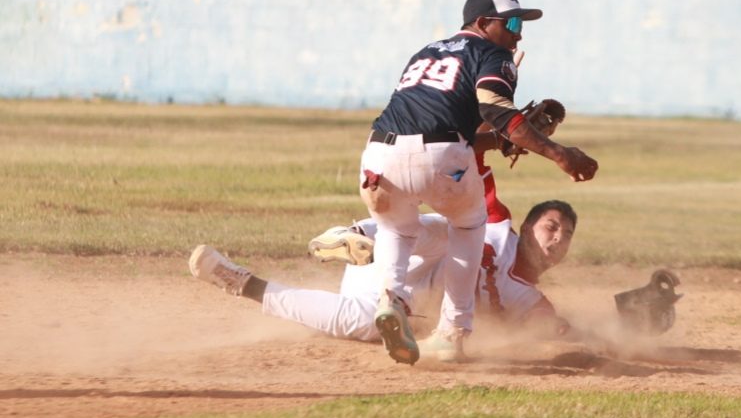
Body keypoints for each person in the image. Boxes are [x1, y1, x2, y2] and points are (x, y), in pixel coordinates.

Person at [358, 0, 597, 365]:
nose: (519, 32)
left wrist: (502, 141)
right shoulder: (492, 53)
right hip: (438, 155)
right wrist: (559, 154)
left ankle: (392, 299)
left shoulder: (426, 51)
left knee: (397, 229)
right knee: (470, 228)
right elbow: (498, 112)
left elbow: (448, 126)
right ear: (484, 23)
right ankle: (451, 333)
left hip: (377, 155)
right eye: (513, 22)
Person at [188, 156, 577, 362]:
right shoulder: (499, 223)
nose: (558, 238)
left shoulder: (528, 298)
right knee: (455, 233)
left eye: (566, 235)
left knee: (366, 323)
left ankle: (241, 282)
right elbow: (473, 158)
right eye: (551, 226)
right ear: (527, 227)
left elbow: (550, 328)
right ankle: (354, 235)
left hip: (391, 299)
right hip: (393, 253)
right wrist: (511, 134)